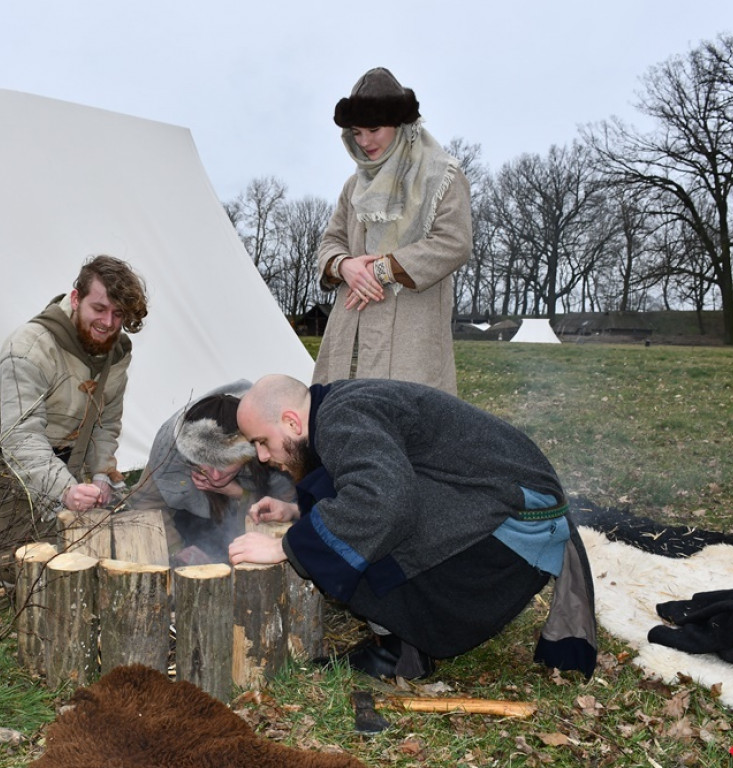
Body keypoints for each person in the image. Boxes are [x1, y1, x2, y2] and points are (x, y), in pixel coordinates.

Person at [227, 374, 597, 681]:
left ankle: (396, 655)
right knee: (349, 510)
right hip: (509, 511)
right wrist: (295, 513)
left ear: (292, 422)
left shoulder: (341, 416)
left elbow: (386, 501)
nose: (261, 456)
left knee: (371, 515)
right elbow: (368, 478)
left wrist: (287, 546)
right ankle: (402, 645)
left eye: (262, 441)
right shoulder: (337, 409)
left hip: (515, 535)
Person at [0, 255, 148, 581]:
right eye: (99, 309)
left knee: (107, 557)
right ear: (75, 299)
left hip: (72, 460)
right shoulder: (29, 348)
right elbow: (21, 438)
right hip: (10, 467)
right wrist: (65, 490)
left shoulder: (115, 353)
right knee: (20, 572)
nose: (108, 322)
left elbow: (105, 423)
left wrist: (101, 475)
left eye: (118, 314)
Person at [313, 67, 472, 394]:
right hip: (349, 335)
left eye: (373, 129)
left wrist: (383, 269)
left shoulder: (442, 176)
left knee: (407, 429)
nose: (364, 141)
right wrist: (346, 266)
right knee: (340, 423)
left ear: (399, 126)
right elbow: (331, 241)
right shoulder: (354, 186)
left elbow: (454, 243)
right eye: (356, 132)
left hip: (410, 340)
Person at [128, 381, 295, 567]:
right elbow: (146, 503)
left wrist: (238, 493)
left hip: (246, 528)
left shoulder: (270, 445)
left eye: (225, 465)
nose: (215, 476)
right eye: (204, 465)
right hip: (187, 520)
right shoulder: (170, 450)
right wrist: (176, 548)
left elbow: (286, 507)